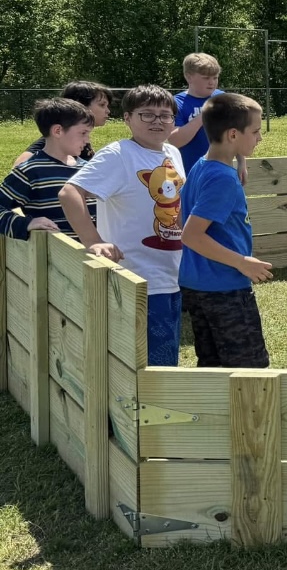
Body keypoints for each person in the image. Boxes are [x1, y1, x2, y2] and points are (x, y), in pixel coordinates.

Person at [60, 85, 187, 366]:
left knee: (165, 355)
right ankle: (149, 409)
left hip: (170, 271)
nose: (157, 121)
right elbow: (70, 192)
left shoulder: (171, 152)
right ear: (128, 118)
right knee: (150, 363)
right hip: (138, 276)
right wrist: (93, 241)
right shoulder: (119, 154)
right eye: (147, 115)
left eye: (165, 116)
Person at [179, 94, 273, 368]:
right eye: (255, 131)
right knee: (250, 372)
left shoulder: (201, 165)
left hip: (197, 284)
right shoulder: (222, 179)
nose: (259, 138)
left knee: (212, 366)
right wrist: (241, 262)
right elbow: (191, 234)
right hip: (225, 287)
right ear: (233, 134)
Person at [0, 98, 96, 239]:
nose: (87, 140)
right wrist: (26, 223)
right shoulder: (30, 171)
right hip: (59, 257)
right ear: (57, 131)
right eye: (83, 133)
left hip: (98, 257)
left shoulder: (88, 168)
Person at [171, 53, 247, 186]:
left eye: (215, 77)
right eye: (206, 78)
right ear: (189, 77)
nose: (212, 82)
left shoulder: (223, 98)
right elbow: (175, 141)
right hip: (188, 174)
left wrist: (241, 162)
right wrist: (204, 115)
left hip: (221, 172)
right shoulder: (177, 103)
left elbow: (236, 133)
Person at [13, 81, 111, 167]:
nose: (108, 111)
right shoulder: (57, 139)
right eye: (102, 105)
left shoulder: (77, 139)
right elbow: (20, 165)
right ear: (79, 105)